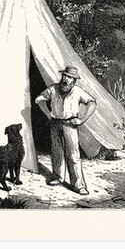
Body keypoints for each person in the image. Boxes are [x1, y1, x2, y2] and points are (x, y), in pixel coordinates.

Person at [34, 66, 98, 195]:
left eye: (69, 77)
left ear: (74, 81)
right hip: (55, 124)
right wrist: (48, 115)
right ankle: (58, 177)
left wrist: (82, 119)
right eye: (64, 76)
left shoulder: (78, 92)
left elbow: (92, 103)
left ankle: (78, 185)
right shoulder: (53, 89)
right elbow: (39, 99)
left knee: (73, 155)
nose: (65, 79)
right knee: (56, 152)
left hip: (70, 125)